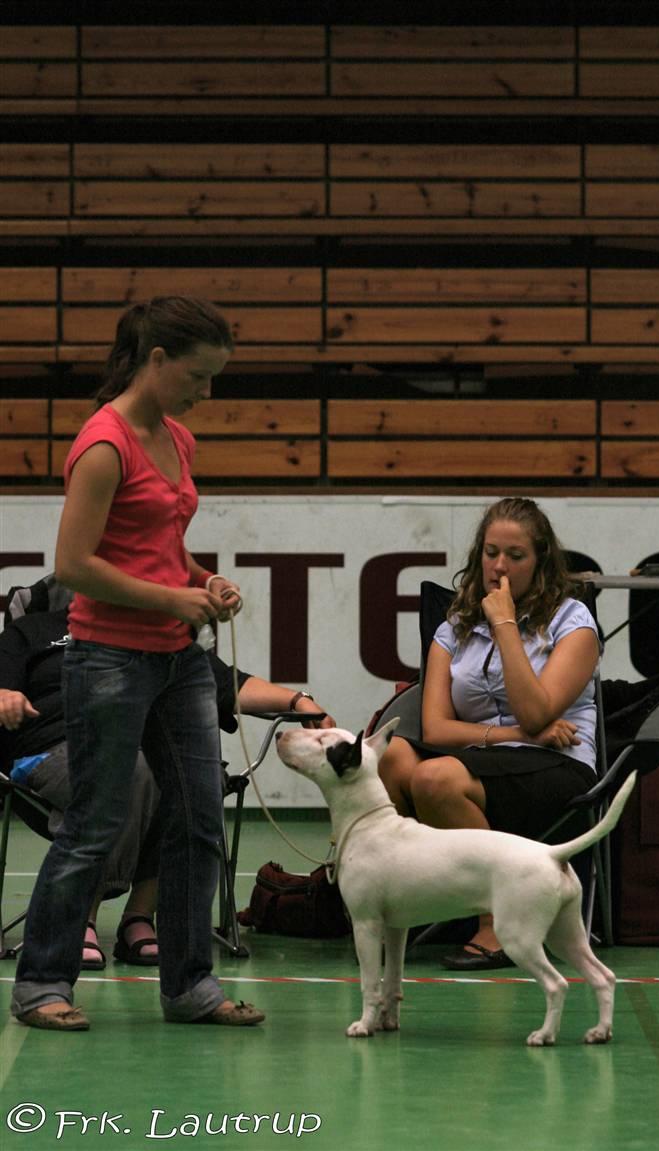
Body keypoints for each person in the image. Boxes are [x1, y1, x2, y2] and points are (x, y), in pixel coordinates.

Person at [11, 295, 257, 1031]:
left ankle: (189, 987)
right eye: (198, 375)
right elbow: (73, 565)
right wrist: (173, 597)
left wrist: (203, 579)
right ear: (156, 360)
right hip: (108, 658)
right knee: (95, 823)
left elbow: (164, 546)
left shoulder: (177, 438)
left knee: (199, 818)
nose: (205, 392)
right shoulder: (103, 444)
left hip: (178, 659)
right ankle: (41, 983)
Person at [0, 601, 334, 971]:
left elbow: (229, 684)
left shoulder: (154, 632)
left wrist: (298, 701)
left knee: (191, 776)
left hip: (144, 747)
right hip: (53, 750)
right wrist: (4, 695)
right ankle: (81, 917)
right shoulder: (30, 631)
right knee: (128, 770)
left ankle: (139, 917)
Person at [378, 497, 601, 971]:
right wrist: (516, 733)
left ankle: (497, 923)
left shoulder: (573, 622)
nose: (499, 567)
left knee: (434, 779)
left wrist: (504, 623)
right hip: (486, 753)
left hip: (558, 763)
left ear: (540, 563)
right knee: (393, 759)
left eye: (515, 556)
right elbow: (437, 727)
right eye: (491, 552)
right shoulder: (455, 627)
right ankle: (396, 908)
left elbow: (536, 713)